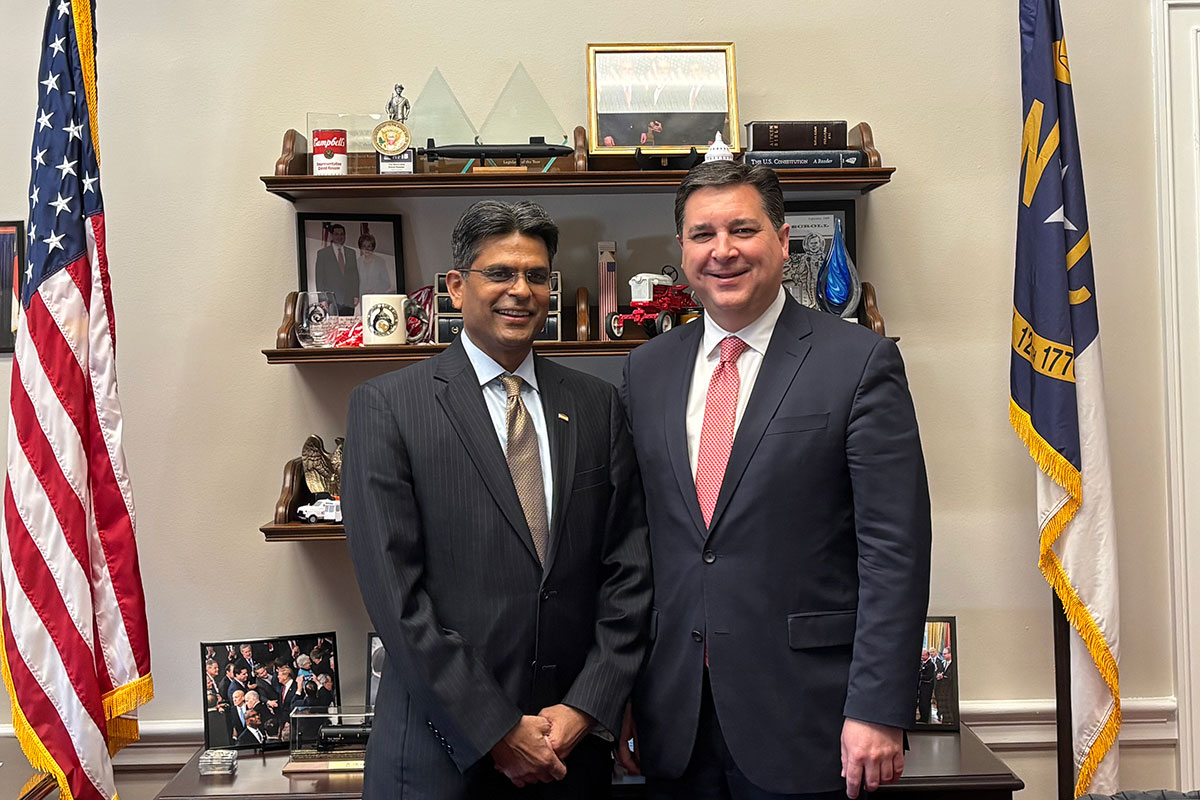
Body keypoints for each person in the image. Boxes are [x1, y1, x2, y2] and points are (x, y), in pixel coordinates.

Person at [619, 161, 931, 800]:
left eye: (742, 229)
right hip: (673, 717)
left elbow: (894, 551)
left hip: (810, 718)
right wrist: (619, 693)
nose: (723, 251)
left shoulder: (858, 361)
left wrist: (877, 708)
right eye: (702, 234)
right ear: (682, 250)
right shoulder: (645, 370)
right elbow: (634, 544)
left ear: (783, 241)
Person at [343, 199, 652, 799]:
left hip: (570, 755)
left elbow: (629, 570)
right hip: (438, 759)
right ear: (457, 287)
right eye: (501, 273)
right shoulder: (388, 408)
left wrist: (587, 706)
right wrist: (496, 730)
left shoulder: (597, 405)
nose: (521, 291)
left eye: (536, 275)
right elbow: (396, 599)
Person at [314, 223, 360, 314]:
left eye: (342, 234)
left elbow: (354, 276)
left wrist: (356, 295)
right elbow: (319, 278)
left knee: (348, 323)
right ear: (332, 236)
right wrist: (322, 299)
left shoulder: (351, 253)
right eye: (336, 234)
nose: (339, 237)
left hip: (348, 300)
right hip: (331, 300)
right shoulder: (323, 254)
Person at [934, 647, 955, 725]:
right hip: (942, 689)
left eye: (945, 654)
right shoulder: (943, 663)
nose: (943, 655)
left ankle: (950, 720)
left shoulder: (953, 664)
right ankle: (945, 719)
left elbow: (952, 676)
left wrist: (943, 676)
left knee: (949, 705)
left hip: (950, 689)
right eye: (942, 654)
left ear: (950, 654)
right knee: (943, 705)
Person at [917, 650, 936, 724]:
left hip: (927, 687)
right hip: (921, 686)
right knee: (921, 703)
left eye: (923, 655)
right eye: (921, 655)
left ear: (928, 656)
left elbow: (928, 676)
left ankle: (925, 718)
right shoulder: (922, 663)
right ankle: (922, 717)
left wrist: (919, 676)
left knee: (925, 703)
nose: (922, 657)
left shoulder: (931, 664)